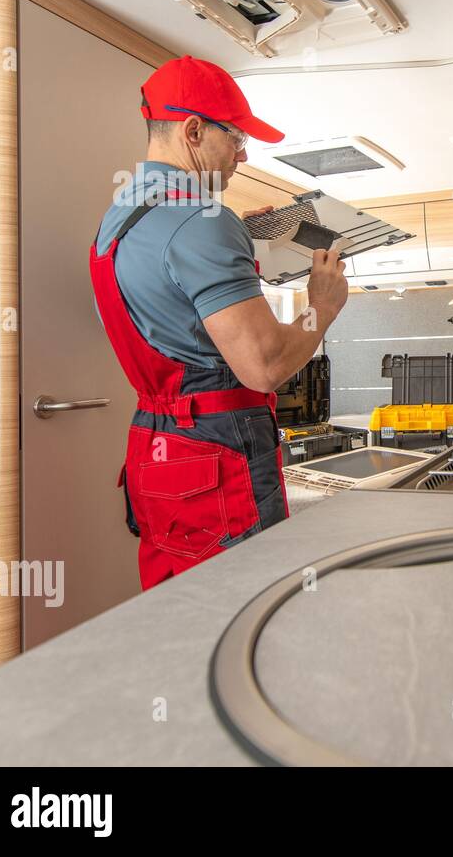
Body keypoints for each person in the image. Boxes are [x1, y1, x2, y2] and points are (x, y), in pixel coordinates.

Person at [89, 55, 349, 589]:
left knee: (176, 614)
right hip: (217, 451)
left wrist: (239, 246)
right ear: (192, 130)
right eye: (234, 138)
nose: (243, 154)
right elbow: (264, 365)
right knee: (244, 616)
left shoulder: (120, 216)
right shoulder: (200, 221)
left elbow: (172, 312)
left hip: (157, 450)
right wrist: (320, 304)